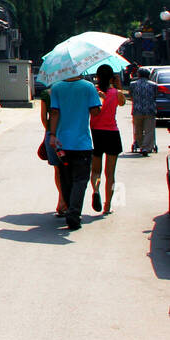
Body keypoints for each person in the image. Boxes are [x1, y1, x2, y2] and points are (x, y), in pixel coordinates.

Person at [47, 74, 101, 231]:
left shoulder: (56, 87)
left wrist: (52, 135)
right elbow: (95, 112)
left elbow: (54, 113)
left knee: (66, 178)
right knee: (80, 180)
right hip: (82, 143)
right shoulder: (88, 87)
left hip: (62, 143)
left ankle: (70, 208)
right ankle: (74, 213)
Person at [88, 64, 126, 214]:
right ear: (111, 77)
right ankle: (107, 205)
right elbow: (123, 103)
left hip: (96, 133)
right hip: (112, 134)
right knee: (110, 173)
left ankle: (96, 190)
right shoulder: (116, 93)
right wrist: (119, 85)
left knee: (96, 171)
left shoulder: (94, 92)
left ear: (97, 77)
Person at [38, 85, 66, 215]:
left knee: (57, 168)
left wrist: (49, 130)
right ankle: (66, 200)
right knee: (69, 167)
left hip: (52, 134)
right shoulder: (69, 91)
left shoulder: (46, 93)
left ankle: (61, 199)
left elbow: (44, 118)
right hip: (69, 133)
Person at [129, 67, 159, 155]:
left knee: (138, 130)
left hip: (137, 110)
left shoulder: (133, 84)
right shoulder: (153, 85)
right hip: (150, 110)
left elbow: (131, 96)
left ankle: (141, 146)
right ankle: (146, 147)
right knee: (149, 130)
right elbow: (155, 96)